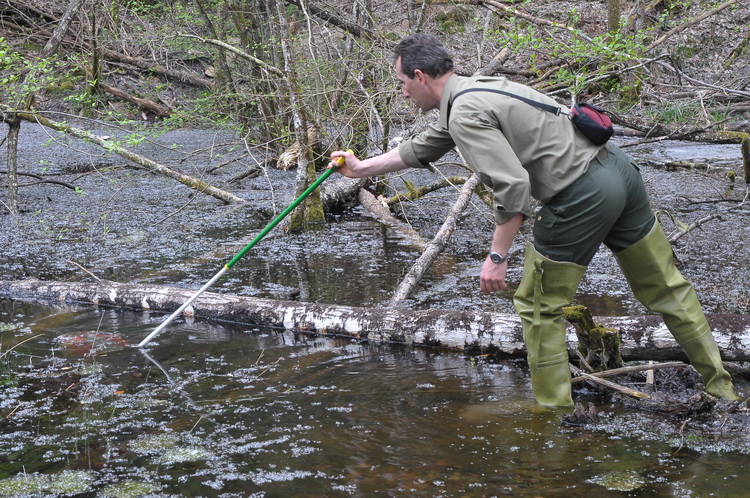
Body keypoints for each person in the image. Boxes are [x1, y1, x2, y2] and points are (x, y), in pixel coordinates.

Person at [329, 33, 739, 407]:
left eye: (401, 82)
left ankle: (554, 413)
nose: (401, 92)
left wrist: (497, 254)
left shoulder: (464, 112)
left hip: (583, 194)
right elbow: (427, 145)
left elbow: (513, 188)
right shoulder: (475, 90)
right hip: (620, 172)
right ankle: (722, 390)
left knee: (538, 306)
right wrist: (362, 169)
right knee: (667, 289)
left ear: (420, 77)